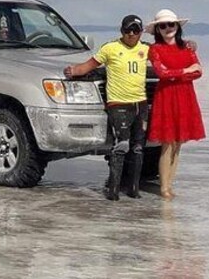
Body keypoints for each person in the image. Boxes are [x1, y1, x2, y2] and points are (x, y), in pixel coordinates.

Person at [64, 14, 149, 200]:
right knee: (121, 146)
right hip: (119, 104)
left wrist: (189, 45)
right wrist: (74, 71)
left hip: (140, 104)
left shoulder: (146, 48)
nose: (132, 34)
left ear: (141, 32)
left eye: (136, 30)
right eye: (128, 30)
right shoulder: (111, 48)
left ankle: (134, 190)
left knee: (138, 147)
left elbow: (169, 54)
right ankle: (113, 190)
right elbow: (89, 65)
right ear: (122, 31)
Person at [145, 9, 205, 200]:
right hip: (167, 97)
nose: (168, 28)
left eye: (171, 24)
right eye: (163, 26)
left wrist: (179, 72)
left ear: (177, 26)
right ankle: (163, 187)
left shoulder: (187, 47)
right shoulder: (155, 50)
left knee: (178, 144)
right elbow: (162, 73)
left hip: (185, 97)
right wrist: (186, 69)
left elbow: (199, 72)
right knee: (167, 144)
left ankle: (170, 185)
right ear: (157, 30)